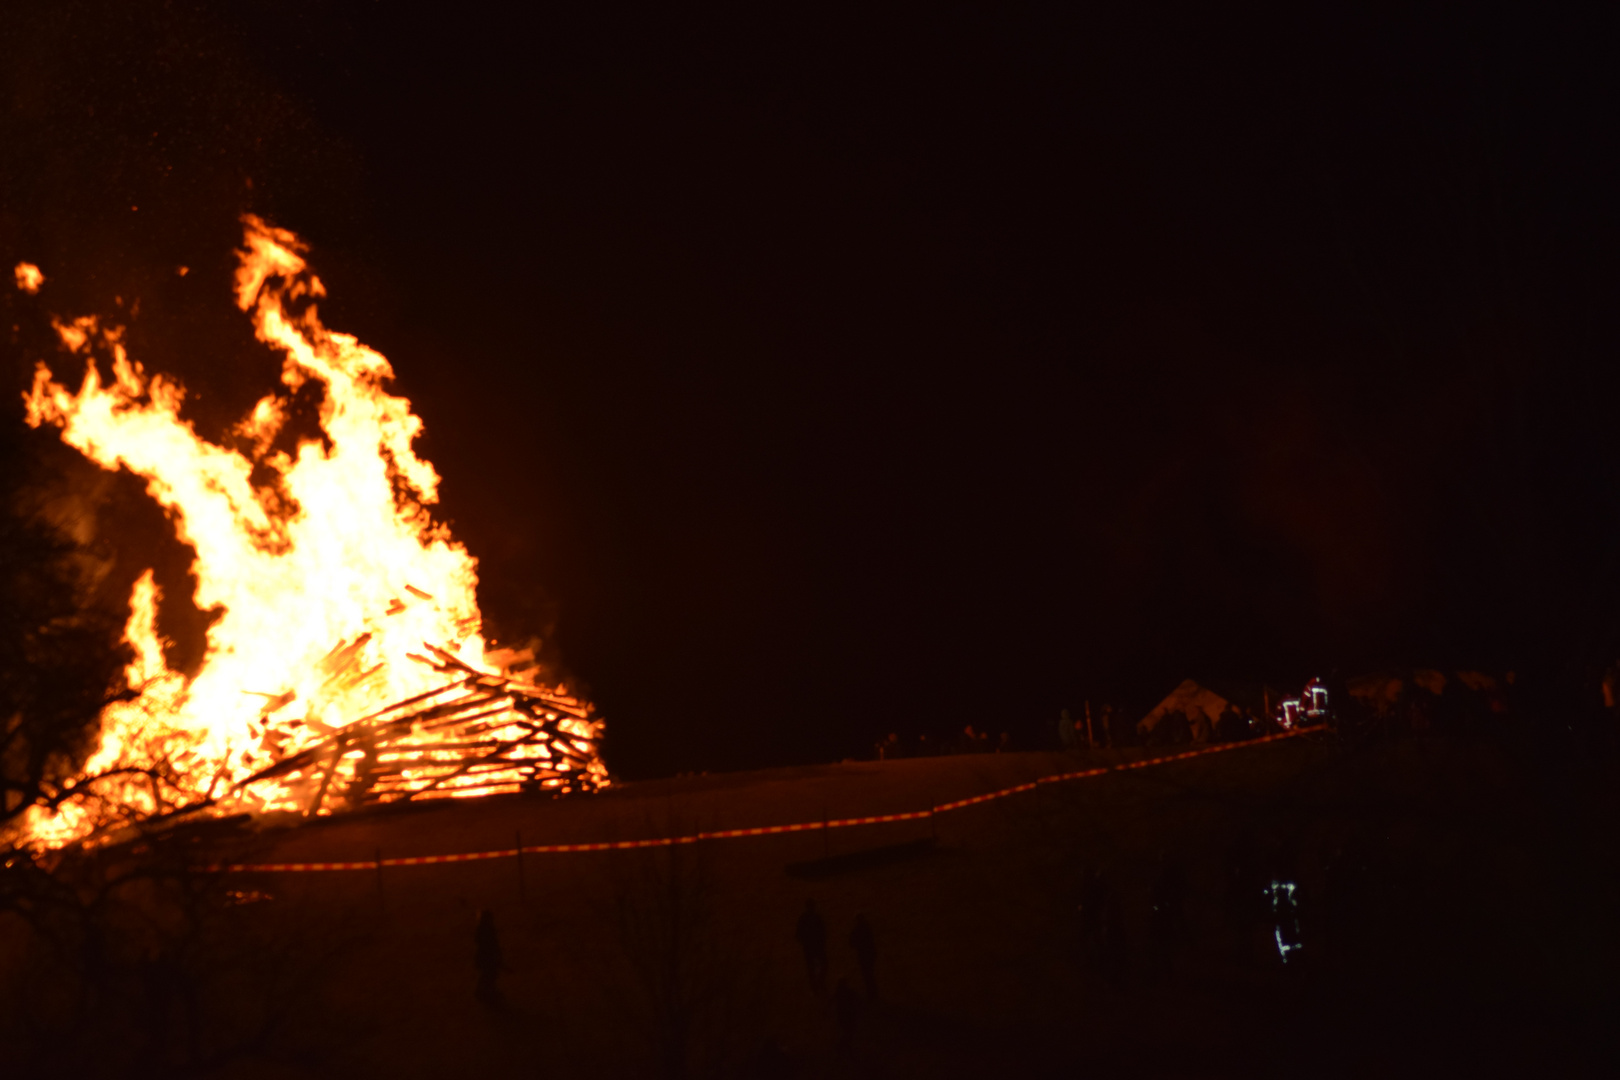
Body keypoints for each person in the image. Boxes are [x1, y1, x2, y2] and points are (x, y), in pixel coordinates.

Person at [795, 899, 828, 995]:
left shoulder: (804, 918)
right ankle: (819, 984)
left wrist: (805, 941)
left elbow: (798, 934)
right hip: (816, 946)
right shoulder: (815, 917)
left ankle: (815, 986)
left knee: (812, 967)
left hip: (810, 947)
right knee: (822, 965)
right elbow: (823, 932)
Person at [473, 909, 503, 1005]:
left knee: (488, 974)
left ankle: (484, 990)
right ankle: (485, 991)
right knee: (489, 974)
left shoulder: (481, 929)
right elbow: (492, 943)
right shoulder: (487, 930)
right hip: (487, 956)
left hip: (484, 956)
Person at [849, 913, 877, 998]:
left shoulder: (857, 930)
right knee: (869, 973)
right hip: (869, 953)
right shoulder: (867, 928)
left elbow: (851, 942)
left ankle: (871, 993)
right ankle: (873, 992)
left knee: (866, 974)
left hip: (863, 954)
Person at [833, 978, 860, 1055]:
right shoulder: (849, 992)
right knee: (850, 1031)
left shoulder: (838, 992)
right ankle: (843, 1045)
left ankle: (844, 1045)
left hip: (842, 1016)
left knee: (847, 1031)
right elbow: (857, 999)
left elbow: (831, 1001)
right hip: (848, 1015)